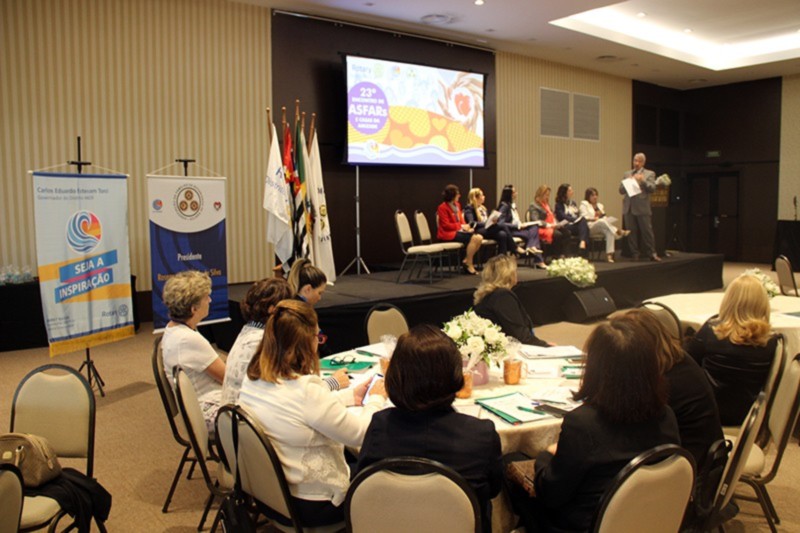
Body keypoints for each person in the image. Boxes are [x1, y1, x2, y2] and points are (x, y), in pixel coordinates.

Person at [505, 317, 680, 532]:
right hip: (649, 520)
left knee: (508, 462)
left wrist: (546, 455)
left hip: (583, 526)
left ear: (595, 369)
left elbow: (550, 494)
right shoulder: (666, 416)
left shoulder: (583, 424)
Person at [238, 300, 387, 527]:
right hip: (312, 504)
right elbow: (360, 434)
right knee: (386, 474)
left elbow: (298, 411)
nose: (319, 343)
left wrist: (350, 396)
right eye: (317, 337)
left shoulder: (254, 378)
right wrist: (376, 398)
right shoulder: (305, 389)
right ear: (304, 344)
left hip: (270, 495)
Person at [355, 324, 503, 533]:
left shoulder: (380, 426)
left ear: (396, 376)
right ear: (455, 375)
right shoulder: (480, 434)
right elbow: (494, 489)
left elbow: (363, 486)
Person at [618, 309, 723, 468]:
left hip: (691, 468)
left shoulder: (665, 382)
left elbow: (632, 430)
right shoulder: (678, 359)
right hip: (703, 456)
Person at [220, 278, 348, 406]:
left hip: (235, 411)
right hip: (250, 414)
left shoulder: (248, 331)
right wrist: (332, 383)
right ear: (273, 310)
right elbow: (291, 395)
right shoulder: (266, 341)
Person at [685, 274, 778, 426]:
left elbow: (687, 364)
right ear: (763, 304)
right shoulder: (771, 342)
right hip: (748, 416)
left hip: (708, 412)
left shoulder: (711, 331)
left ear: (728, 301)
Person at [161, 270, 226, 434]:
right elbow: (227, 378)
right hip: (207, 410)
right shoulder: (189, 340)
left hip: (195, 406)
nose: (210, 300)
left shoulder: (172, 328)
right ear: (193, 309)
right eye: (206, 297)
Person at [473, 255, 550, 346]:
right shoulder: (502, 296)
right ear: (508, 274)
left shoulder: (488, 294)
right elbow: (520, 335)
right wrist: (546, 346)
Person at [619, 152, 660, 261]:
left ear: (643, 163)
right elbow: (621, 190)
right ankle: (634, 254)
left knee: (647, 231)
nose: (636, 163)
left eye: (639, 161)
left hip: (642, 207)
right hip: (629, 207)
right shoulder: (627, 174)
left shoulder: (649, 174)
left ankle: (652, 253)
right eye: (635, 160)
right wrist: (627, 182)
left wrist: (642, 181)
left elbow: (652, 188)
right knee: (631, 232)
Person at [436, 184, 484, 275]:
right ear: (452, 195)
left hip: (458, 231)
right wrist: (461, 226)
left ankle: (467, 260)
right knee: (475, 238)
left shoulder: (457, 205)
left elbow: (461, 220)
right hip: (447, 234)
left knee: (479, 237)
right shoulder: (442, 207)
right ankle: (469, 264)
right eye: (457, 194)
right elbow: (446, 225)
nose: (459, 195)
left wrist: (467, 227)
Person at [464, 187, 524, 256]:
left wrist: (492, 221)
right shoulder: (469, 208)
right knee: (502, 225)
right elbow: (471, 222)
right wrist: (486, 223)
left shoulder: (483, 208)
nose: (484, 197)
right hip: (478, 230)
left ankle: (502, 258)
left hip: (487, 228)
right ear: (476, 197)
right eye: (482, 195)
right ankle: (514, 247)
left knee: (502, 234)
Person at [497, 185, 545, 267]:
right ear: (510, 194)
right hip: (511, 230)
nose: (516, 193)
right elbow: (501, 223)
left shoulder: (512, 204)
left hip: (518, 228)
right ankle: (538, 259)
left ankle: (531, 247)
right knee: (533, 235)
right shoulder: (504, 206)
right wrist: (517, 226)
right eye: (514, 192)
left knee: (534, 227)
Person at [579, 187, 629, 263]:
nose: (595, 197)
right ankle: (618, 231)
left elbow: (604, 217)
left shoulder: (600, 206)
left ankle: (609, 255)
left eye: (596, 195)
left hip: (601, 225)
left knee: (609, 232)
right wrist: (594, 219)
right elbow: (584, 218)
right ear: (588, 196)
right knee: (601, 221)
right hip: (589, 227)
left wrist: (607, 219)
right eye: (592, 195)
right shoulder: (584, 205)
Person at [528, 185, 568, 260]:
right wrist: (549, 225)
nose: (547, 197)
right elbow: (535, 220)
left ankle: (564, 254)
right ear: (540, 194)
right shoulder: (534, 205)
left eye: (548, 195)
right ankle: (556, 256)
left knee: (567, 232)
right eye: (546, 195)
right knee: (558, 235)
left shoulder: (547, 204)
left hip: (551, 225)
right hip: (542, 228)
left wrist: (557, 224)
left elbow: (552, 216)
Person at [554, 183, 589, 253]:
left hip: (574, 225)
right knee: (584, 227)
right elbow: (562, 216)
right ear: (564, 193)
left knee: (583, 222)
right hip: (565, 226)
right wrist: (575, 219)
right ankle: (583, 246)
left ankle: (582, 243)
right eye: (570, 190)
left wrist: (577, 219)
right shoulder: (558, 205)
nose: (572, 192)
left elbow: (577, 213)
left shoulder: (573, 203)